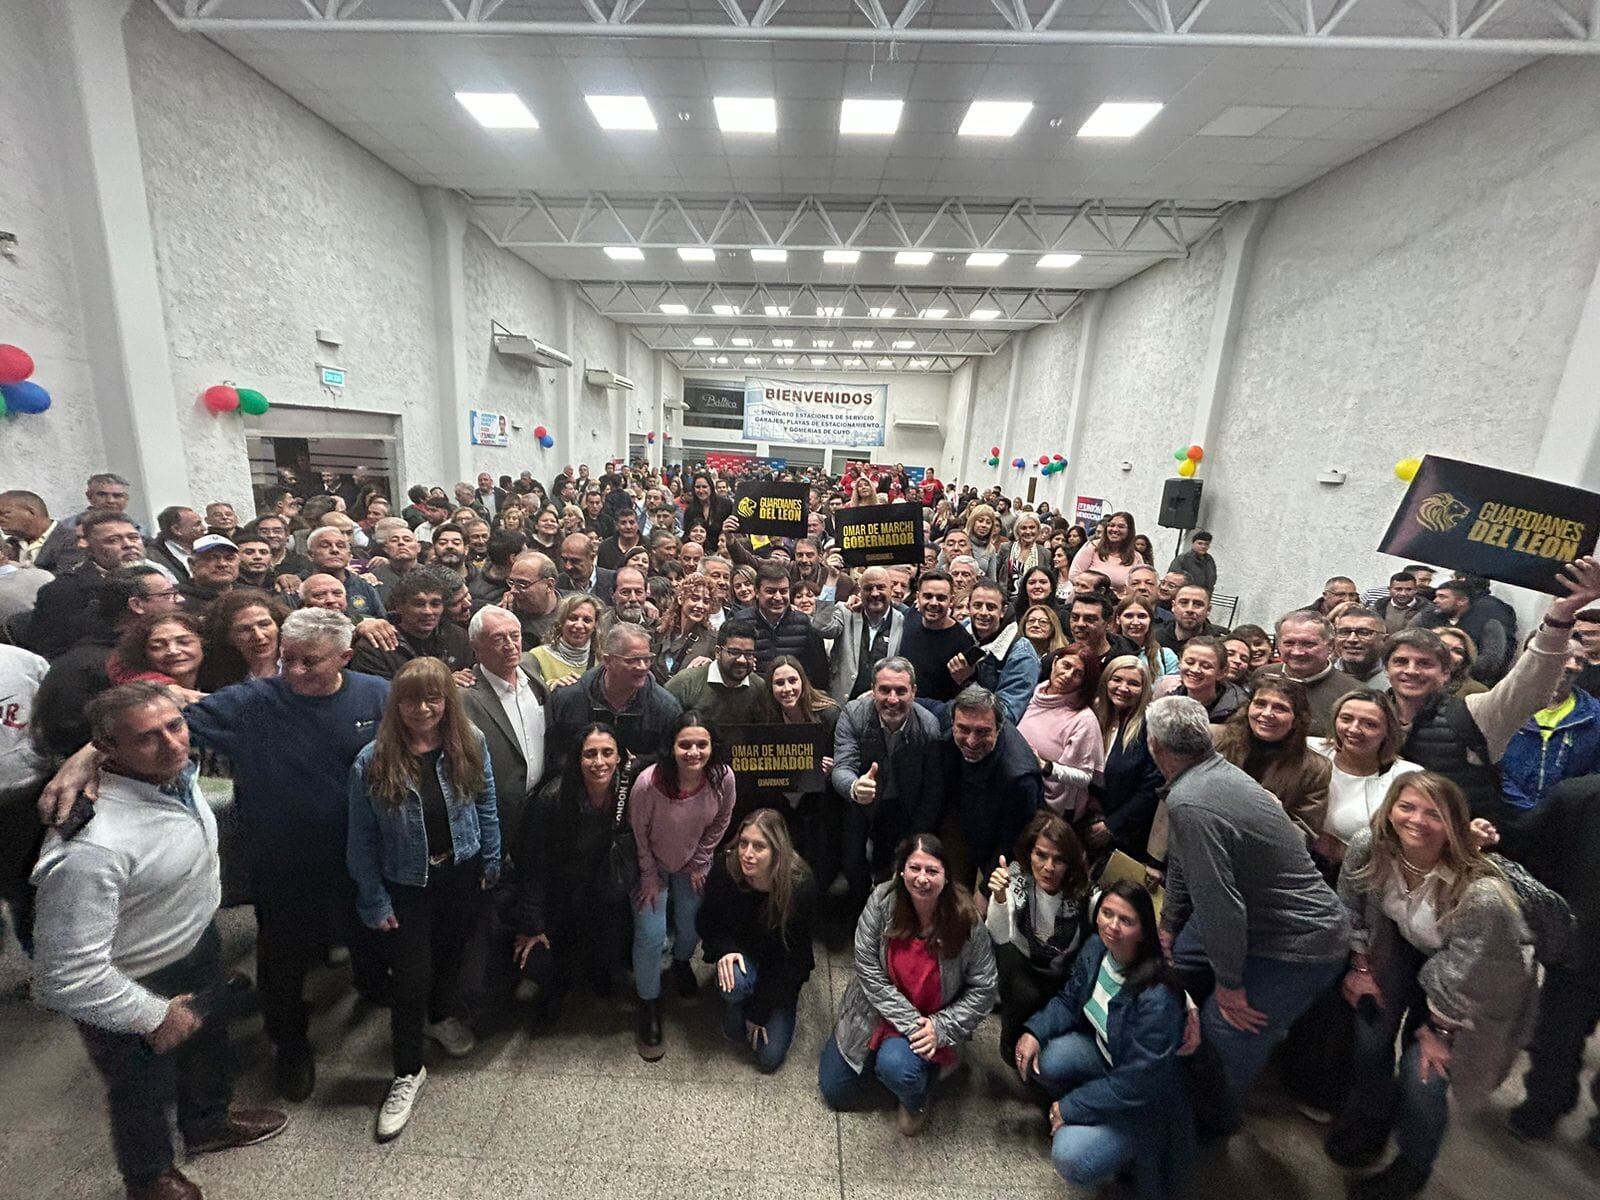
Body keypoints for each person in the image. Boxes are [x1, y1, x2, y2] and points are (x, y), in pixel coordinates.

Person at [35, 609, 394, 1103]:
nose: (293, 672)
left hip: (359, 853)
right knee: (284, 957)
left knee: (367, 931)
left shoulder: (376, 695)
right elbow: (149, 726)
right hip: (282, 859)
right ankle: (289, 1044)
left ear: (345, 658)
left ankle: (376, 990)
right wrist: (85, 757)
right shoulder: (251, 702)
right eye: (287, 659)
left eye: (310, 663)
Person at [31, 685, 289, 1200]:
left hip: (194, 942)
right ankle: (149, 1178)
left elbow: (172, 703)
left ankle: (208, 1125)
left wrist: (85, 756)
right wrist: (151, 1014)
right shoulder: (93, 846)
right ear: (109, 748)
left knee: (207, 1051)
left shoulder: (174, 776)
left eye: (175, 727)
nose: (172, 744)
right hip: (134, 977)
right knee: (138, 1089)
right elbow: (63, 975)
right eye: (148, 738)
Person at [1327, 773, 1538, 1200]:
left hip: (1478, 978)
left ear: (1454, 825)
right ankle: (1373, 1114)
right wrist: (1361, 965)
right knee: (1370, 1034)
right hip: (1404, 944)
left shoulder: (1482, 895)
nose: (1416, 820)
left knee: (1424, 1075)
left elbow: (1472, 968)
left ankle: (1413, 1164)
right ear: (1391, 810)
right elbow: (1351, 905)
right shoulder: (1372, 846)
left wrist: (1439, 1031)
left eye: (1433, 813)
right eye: (1407, 807)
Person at [1148, 695, 1349, 1135]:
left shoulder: (1194, 799)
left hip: (1299, 943)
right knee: (1170, 969)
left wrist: (1230, 984)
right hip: (1253, 921)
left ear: (1155, 745)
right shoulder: (1204, 780)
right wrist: (1169, 926)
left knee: (1227, 1027)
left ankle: (1211, 1124)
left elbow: (1222, 906)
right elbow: (1182, 861)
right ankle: (1170, 1083)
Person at [347, 658, 500, 1141]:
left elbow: (486, 800)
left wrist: (492, 858)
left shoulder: (468, 742)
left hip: (462, 871)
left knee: (452, 957)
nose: (423, 708)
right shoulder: (372, 759)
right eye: (412, 699)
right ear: (397, 703)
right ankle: (407, 1070)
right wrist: (372, 898)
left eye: (434, 697)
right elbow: (362, 838)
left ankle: (439, 1017)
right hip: (407, 882)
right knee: (411, 977)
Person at [1382, 557, 1600, 855]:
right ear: (1387, 669)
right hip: (1388, 852)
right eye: (1400, 661)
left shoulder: (1472, 713)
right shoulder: (1367, 716)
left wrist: (1560, 616)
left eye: (1425, 663)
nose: (1411, 670)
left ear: (1447, 672)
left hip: (1460, 855)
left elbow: (1530, 685)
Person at [1017, 881, 1195, 1200]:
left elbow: (1138, 1083)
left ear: (1143, 931)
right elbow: (1071, 1000)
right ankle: (1091, 1116)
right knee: (1044, 1057)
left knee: (1069, 1155)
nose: (1112, 925)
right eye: (1107, 913)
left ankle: (1127, 1152)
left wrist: (1071, 1106)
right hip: (1108, 1057)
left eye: (1126, 920)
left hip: (1145, 1102)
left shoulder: (1156, 998)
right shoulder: (1097, 949)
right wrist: (1034, 1031)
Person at [819, 833, 998, 1135]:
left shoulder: (965, 919)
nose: (922, 879)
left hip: (933, 1021)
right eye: (914, 868)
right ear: (901, 871)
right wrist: (911, 1022)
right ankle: (904, 1068)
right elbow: (867, 968)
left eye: (932, 871)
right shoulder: (881, 901)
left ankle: (916, 1094)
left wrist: (940, 1028)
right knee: (837, 1092)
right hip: (879, 1012)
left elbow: (984, 988)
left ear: (946, 876)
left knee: (895, 1068)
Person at [629, 711, 736, 1059]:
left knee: (691, 927)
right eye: (685, 744)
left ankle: (680, 962)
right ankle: (649, 1002)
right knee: (650, 934)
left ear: (712, 746)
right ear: (672, 747)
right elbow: (638, 835)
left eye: (701, 744)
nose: (694, 752)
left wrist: (701, 858)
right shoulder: (649, 783)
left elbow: (722, 819)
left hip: (693, 863)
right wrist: (648, 876)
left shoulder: (723, 778)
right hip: (652, 867)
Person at [510, 724, 631, 1030]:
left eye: (607, 753)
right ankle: (555, 986)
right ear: (577, 760)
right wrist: (532, 924)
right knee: (542, 960)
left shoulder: (629, 794)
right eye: (590, 754)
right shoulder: (553, 798)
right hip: (559, 892)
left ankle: (598, 969)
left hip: (606, 889)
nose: (599, 762)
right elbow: (533, 866)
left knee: (608, 950)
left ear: (620, 758)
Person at [696, 809, 818, 1073]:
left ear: (777, 851)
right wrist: (724, 950)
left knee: (768, 1057)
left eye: (759, 846)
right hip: (742, 958)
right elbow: (706, 922)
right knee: (734, 995)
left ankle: (754, 1006)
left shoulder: (800, 886)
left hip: (780, 968)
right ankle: (737, 1002)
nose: (747, 854)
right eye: (743, 843)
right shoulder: (725, 869)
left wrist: (759, 1012)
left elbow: (794, 961)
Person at [832, 658, 944, 912]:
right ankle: (859, 913)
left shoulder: (928, 726)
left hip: (904, 804)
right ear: (873, 689)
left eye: (901, 691)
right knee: (852, 863)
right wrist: (854, 787)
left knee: (897, 864)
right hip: (861, 800)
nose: (892, 699)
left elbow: (932, 790)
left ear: (913, 692)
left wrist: (920, 835)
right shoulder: (853, 713)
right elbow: (842, 766)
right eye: (884, 690)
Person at [985, 812, 1093, 1064]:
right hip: (1021, 965)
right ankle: (1011, 1036)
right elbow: (1000, 935)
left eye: (1059, 859)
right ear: (1029, 853)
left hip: (1060, 973)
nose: (1048, 867)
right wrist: (1000, 897)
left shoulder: (1084, 893)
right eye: (1041, 855)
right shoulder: (1015, 876)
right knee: (1019, 981)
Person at [934, 686, 1043, 892]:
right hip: (962, 815)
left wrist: (985, 891)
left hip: (1000, 837)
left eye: (983, 732)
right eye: (963, 729)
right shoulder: (953, 724)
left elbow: (1013, 841)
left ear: (999, 728)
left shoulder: (1020, 778)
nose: (972, 741)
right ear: (953, 722)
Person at [1215, 677, 1332, 852]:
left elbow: (1305, 837)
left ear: (1297, 719)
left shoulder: (1314, 768)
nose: (1267, 713)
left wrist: (1275, 816)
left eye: (1280, 708)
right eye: (1260, 704)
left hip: (1262, 858)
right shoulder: (1215, 740)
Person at [1308, 689, 1422, 866]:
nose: (1353, 729)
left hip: (1361, 876)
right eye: (1346, 719)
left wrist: (1343, 851)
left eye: (1369, 724)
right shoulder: (1309, 750)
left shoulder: (1408, 776)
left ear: (1388, 730)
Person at [1496, 634, 1600, 817]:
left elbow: (1594, 777)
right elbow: (1490, 767)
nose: (1572, 666)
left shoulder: (1594, 716)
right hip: (1504, 819)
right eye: (1565, 656)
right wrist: (1527, 812)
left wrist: (1555, 811)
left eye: (1580, 660)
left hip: (1567, 821)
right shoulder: (1501, 705)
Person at [23, 510, 150, 659]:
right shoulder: (63, 591)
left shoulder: (158, 577)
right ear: (90, 549)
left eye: (134, 538)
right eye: (113, 540)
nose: (128, 545)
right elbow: (52, 651)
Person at [761, 655, 841, 881]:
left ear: (803, 682)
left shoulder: (829, 714)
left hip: (821, 800)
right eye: (779, 683)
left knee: (820, 858)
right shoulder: (768, 716)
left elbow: (845, 758)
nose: (787, 688)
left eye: (793, 681)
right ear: (770, 687)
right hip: (784, 798)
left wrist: (832, 767)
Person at [1091, 656, 1166, 867]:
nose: (1123, 688)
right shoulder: (1092, 716)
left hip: (1127, 835)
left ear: (1144, 690)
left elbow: (1152, 787)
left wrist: (1112, 826)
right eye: (1117, 679)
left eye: (1133, 683)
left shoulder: (1150, 727)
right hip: (1087, 822)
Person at [1018, 645, 1105, 823]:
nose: (1068, 676)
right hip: (1019, 791)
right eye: (1066, 666)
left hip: (1052, 809)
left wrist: (1046, 767)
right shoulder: (1032, 695)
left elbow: (1085, 776)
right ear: (1055, 662)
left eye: (1078, 674)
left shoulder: (1083, 720)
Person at [347, 567, 471, 680]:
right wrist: (443, 685)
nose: (428, 611)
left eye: (435, 604)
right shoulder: (374, 646)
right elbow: (380, 695)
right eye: (419, 604)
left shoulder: (459, 637)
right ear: (399, 606)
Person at [1255, 610, 1360, 737]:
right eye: (1289, 643)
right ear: (1278, 645)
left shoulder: (1352, 692)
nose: (1297, 652)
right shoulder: (1263, 675)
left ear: (1331, 646)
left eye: (1308, 644)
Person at [810, 565, 906, 703]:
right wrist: (832, 578)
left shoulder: (902, 621)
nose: (874, 593)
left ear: (891, 589)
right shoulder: (846, 612)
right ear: (860, 592)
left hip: (885, 704)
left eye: (880, 587)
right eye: (868, 588)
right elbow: (821, 626)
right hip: (844, 703)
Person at [952, 580, 1039, 724]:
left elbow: (1007, 715)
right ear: (969, 608)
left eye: (991, 607)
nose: (983, 613)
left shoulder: (1022, 655)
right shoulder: (960, 631)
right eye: (977, 605)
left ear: (1003, 611)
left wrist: (968, 682)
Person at [734, 561, 828, 689]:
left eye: (783, 591)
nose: (778, 597)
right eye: (771, 591)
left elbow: (819, 672)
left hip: (794, 699)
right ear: (756, 592)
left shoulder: (804, 623)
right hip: (753, 700)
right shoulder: (740, 622)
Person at [897, 570, 977, 709]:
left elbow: (968, 691)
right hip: (898, 705)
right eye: (928, 596)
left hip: (937, 716)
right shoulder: (911, 615)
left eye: (941, 598)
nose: (933, 603)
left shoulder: (963, 641)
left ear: (951, 601)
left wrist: (964, 679)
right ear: (918, 597)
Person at [1158, 636, 1247, 724]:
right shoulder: (1166, 702)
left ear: (1221, 672)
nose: (1195, 670)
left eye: (1206, 666)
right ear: (1180, 663)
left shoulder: (1238, 710)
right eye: (1190, 662)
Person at [525, 592, 599, 686]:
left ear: (595, 626)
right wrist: (549, 688)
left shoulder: (601, 660)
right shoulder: (537, 657)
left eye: (587, 620)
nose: (579, 625)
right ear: (561, 621)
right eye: (573, 618)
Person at [0, 488, 81, 572]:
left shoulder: (74, 540)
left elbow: (66, 579)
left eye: (3, 513)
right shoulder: (9, 546)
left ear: (31, 512)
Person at [654, 572, 717, 680]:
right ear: (680, 599)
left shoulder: (712, 640)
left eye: (706, 601)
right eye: (694, 598)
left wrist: (713, 666)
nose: (700, 605)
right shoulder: (659, 632)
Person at [1068, 511, 1144, 596]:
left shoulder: (1136, 558)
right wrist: (1096, 593)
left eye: (1121, 526)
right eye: (1111, 525)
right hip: (1085, 599)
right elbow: (1074, 575)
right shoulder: (1092, 547)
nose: (1114, 529)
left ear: (1129, 531)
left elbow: (1138, 586)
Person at [502, 550, 562, 647]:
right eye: (512, 582)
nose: (513, 590)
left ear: (549, 585)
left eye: (522, 584)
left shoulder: (578, 609)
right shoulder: (508, 616)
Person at [1153, 583, 1227, 654]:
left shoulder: (1219, 643)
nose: (1190, 609)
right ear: (1173, 606)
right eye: (1184, 602)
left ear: (1208, 610)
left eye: (1198, 604)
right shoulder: (1155, 637)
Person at [1117, 595, 1178, 679]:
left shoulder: (1166, 657)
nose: (1135, 622)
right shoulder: (1108, 653)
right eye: (1129, 616)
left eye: (1142, 616)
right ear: (1118, 619)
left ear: (1151, 620)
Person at [556, 532, 616, 605]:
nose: (568, 566)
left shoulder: (613, 580)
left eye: (575, 561)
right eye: (564, 560)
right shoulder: (557, 584)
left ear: (592, 558)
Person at [1434, 626, 1487, 698]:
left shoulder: (1477, 692)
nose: (1449, 654)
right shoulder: (1416, 679)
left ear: (1464, 661)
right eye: (1443, 646)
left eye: (1458, 651)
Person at [1167, 529, 1217, 594]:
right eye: (1200, 543)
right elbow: (1172, 578)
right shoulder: (1183, 559)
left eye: (1206, 544)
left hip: (1202, 595)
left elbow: (1212, 580)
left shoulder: (1210, 560)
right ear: (1193, 543)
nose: (1203, 546)